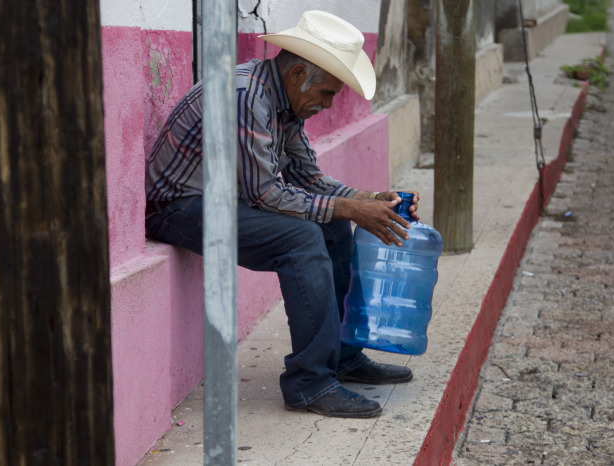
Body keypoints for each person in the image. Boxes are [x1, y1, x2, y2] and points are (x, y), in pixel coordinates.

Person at [145, 10, 421, 419]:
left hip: (221, 199)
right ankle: (309, 383)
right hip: (177, 208)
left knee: (333, 222)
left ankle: (343, 357)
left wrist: (368, 199)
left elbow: (308, 179)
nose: (327, 105)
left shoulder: (286, 103)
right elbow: (265, 193)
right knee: (304, 237)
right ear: (296, 75)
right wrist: (349, 206)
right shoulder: (244, 96)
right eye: (326, 94)